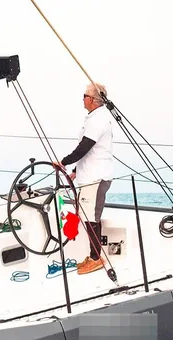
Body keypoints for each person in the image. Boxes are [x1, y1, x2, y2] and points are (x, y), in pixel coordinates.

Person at [53, 82, 114, 275]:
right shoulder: (94, 118)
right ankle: (93, 256)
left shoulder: (98, 120)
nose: (83, 98)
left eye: (85, 95)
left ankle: (96, 259)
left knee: (91, 219)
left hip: (96, 179)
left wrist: (63, 162)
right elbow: (90, 153)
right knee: (88, 217)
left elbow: (84, 148)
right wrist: (75, 171)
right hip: (89, 177)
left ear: (93, 100)